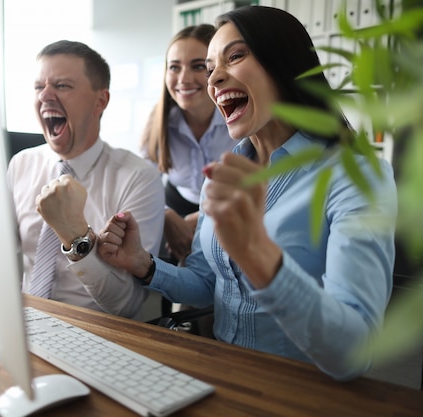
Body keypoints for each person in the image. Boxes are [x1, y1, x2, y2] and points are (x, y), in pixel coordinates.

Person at [97, 6, 397, 380]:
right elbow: (210, 286)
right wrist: (143, 264)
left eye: (235, 56)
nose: (213, 79)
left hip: (299, 389)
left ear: (283, 64)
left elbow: (354, 354)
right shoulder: (224, 177)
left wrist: (259, 255)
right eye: (210, 68)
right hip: (219, 373)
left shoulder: (357, 176)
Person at [7, 40, 165, 319]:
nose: (45, 96)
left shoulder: (139, 178)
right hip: (27, 325)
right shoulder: (22, 163)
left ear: (100, 101)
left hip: (96, 333)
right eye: (38, 87)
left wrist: (74, 235)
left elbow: (126, 304)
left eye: (62, 85)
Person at [141, 24, 235, 264]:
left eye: (198, 66)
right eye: (174, 67)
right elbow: (140, 182)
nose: (183, 79)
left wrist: (202, 219)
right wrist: (165, 215)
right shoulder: (158, 121)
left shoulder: (239, 118)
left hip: (230, 210)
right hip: (175, 205)